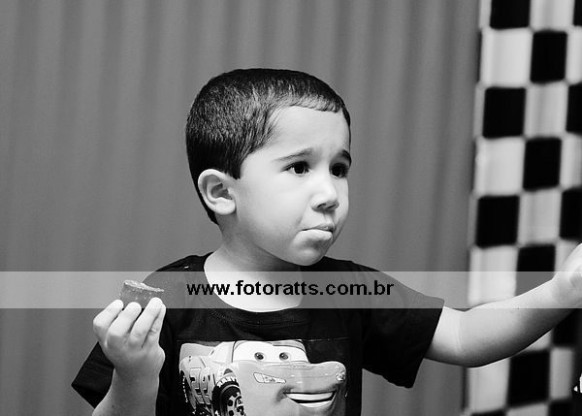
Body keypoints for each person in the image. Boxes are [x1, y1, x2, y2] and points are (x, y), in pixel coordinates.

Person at [72, 68, 582, 416]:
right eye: (299, 167)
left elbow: (467, 337)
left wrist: (562, 292)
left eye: (339, 168)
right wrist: (134, 374)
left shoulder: (349, 290)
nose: (330, 194)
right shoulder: (166, 300)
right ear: (222, 193)